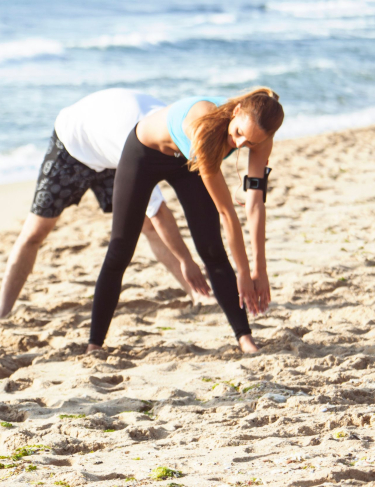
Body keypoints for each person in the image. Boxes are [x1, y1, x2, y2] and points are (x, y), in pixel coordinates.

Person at [88, 87, 284, 354]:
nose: (240, 145)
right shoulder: (206, 128)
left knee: (212, 249)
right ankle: (95, 343)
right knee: (121, 249)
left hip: (186, 164)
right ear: (236, 112)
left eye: (250, 143)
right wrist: (243, 271)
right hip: (144, 155)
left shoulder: (261, 136)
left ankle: (244, 337)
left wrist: (258, 269)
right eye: (238, 134)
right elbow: (227, 211)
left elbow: (255, 203)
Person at [0, 88, 212, 318]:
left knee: (147, 224)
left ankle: (197, 293)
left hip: (110, 152)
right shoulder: (139, 142)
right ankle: (3, 311)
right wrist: (187, 261)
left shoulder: (175, 125)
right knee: (35, 232)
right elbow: (158, 211)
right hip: (72, 147)